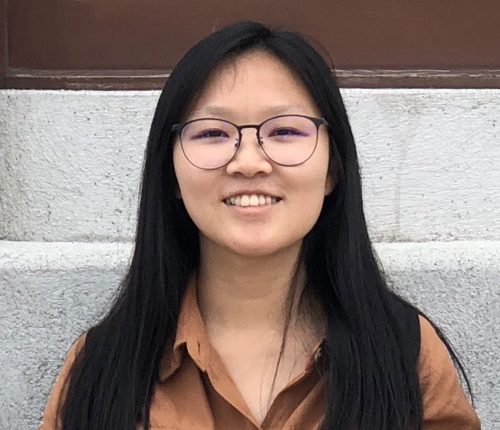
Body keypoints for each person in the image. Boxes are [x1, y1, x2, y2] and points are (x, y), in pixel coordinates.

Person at [40, 22, 480, 430]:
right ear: (171, 173)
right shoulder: (100, 371)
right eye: (212, 133)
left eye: (285, 131)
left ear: (333, 169)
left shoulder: (405, 354)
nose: (249, 162)